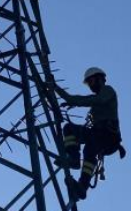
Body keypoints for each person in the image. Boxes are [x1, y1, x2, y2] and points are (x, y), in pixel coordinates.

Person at [50, 67, 123, 201]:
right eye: (88, 83)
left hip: (108, 137)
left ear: (100, 79)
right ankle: (75, 162)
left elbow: (95, 100)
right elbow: (75, 99)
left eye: (92, 81)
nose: (90, 85)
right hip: (97, 134)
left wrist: (77, 102)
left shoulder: (108, 91)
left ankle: (82, 182)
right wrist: (55, 88)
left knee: (90, 148)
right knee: (70, 130)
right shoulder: (96, 98)